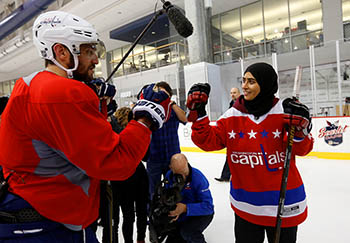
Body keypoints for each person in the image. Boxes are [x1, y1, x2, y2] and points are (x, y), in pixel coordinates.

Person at [0, 11, 170, 243]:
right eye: (89, 51)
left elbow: (69, 141)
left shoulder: (29, 84)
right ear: (61, 52)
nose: (97, 60)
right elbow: (114, 162)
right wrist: (144, 120)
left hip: (28, 214)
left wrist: (96, 104)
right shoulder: (64, 94)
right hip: (49, 226)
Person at [186, 62, 314, 243]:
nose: (244, 86)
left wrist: (302, 131)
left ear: (266, 84)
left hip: (282, 204)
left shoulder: (285, 113)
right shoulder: (232, 115)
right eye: (244, 80)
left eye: (251, 81)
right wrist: (198, 113)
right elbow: (208, 141)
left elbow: (302, 149)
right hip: (246, 205)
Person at [111, 107, 149, 243]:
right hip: (136, 174)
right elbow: (146, 155)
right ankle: (139, 239)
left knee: (122, 216)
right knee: (137, 213)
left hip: (119, 177)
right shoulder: (135, 133)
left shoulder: (113, 131)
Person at [146, 81, 187, 197]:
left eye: (163, 93)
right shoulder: (150, 110)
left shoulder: (173, 108)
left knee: (175, 188)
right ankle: (153, 212)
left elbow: (185, 119)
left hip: (172, 157)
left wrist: (171, 103)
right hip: (154, 157)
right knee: (153, 191)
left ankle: (174, 210)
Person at [164, 153, 214, 243]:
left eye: (184, 172)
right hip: (181, 214)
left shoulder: (198, 178)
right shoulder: (169, 176)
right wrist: (173, 210)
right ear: (171, 168)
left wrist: (185, 208)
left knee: (188, 232)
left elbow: (208, 207)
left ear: (187, 163)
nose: (183, 177)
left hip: (200, 213)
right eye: (178, 174)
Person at [215, 87, 241, 182]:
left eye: (234, 92)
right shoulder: (232, 104)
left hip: (241, 135)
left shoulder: (243, 103)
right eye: (231, 93)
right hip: (233, 134)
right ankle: (226, 176)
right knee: (230, 155)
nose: (232, 94)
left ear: (239, 93)